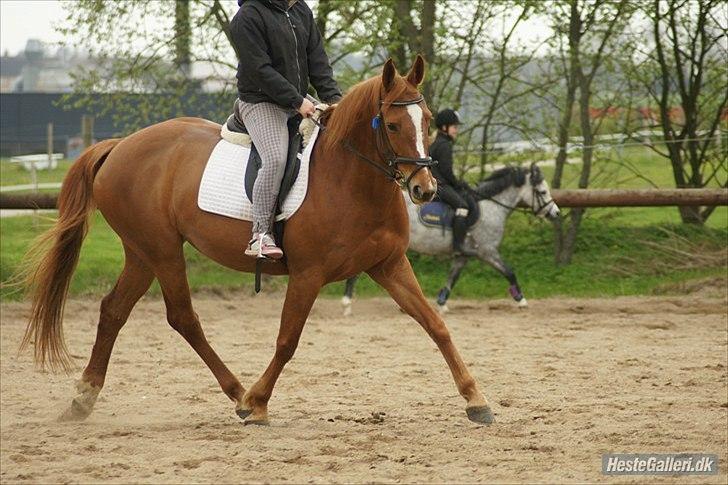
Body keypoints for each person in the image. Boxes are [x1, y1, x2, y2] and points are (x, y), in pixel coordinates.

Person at [230, 0, 342, 259]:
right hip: (260, 102)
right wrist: (298, 100)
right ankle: (260, 234)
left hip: (297, 100)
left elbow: (318, 63)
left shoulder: (301, 10)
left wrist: (336, 103)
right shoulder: (247, 16)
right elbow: (260, 70)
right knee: (275, 158)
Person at [429, 109, 473, 255]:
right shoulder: (444, 145)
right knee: (462, 206)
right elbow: (446, 172)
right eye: (455, 127)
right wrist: (459, 184)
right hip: (440, 185)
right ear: (444, 127)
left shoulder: (437, 142)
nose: (457, 130)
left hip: (436, 182)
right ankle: (458, 246)